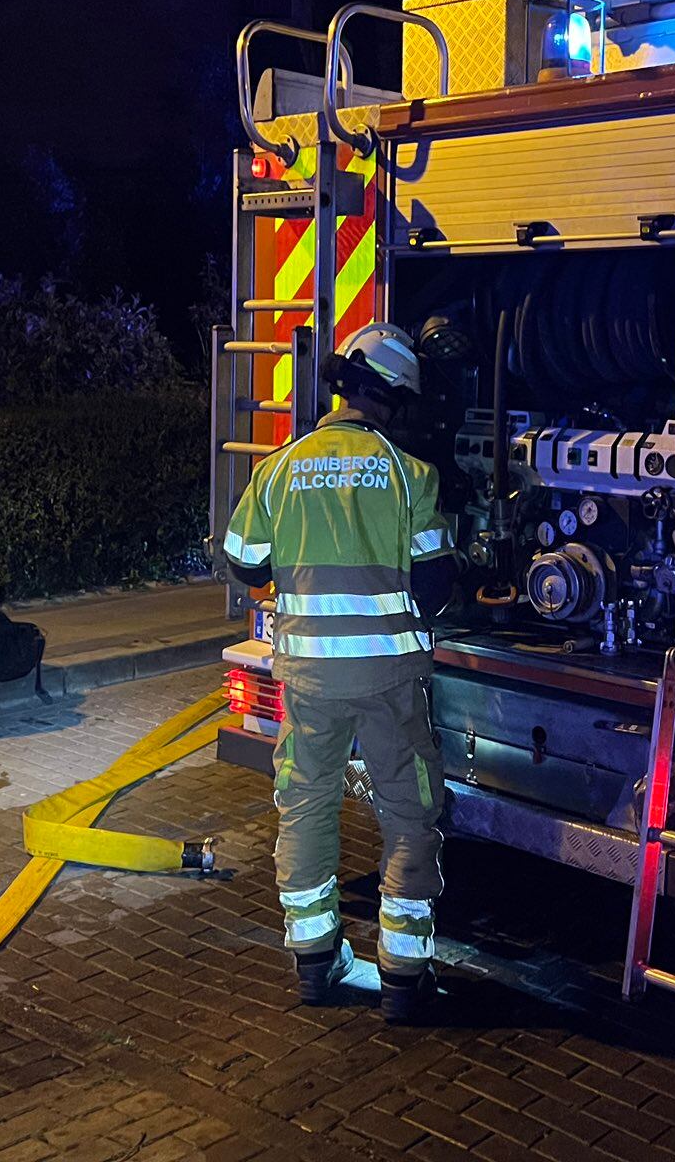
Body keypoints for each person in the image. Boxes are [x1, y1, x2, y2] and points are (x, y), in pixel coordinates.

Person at [222, 323, 457, 1023]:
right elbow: (438, 588)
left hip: (309, 683)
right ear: (394, 397)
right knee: (409, 819)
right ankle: (404, 981)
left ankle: (317, 965)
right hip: (388, 682)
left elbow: (243, 560)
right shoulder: (410, 474)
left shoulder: (279, 467)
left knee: (307, 809)